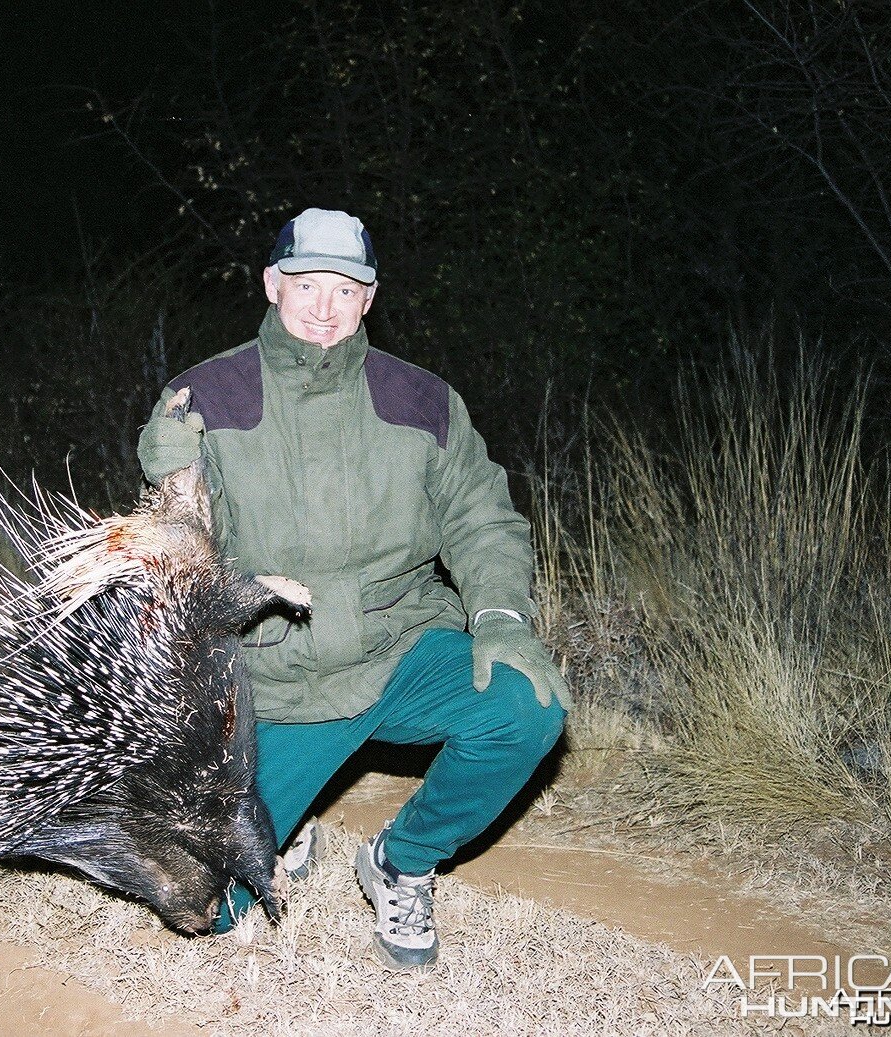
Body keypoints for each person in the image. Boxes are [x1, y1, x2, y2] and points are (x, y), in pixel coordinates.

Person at [137, 207, 568, 970]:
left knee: (526, 704)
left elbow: (483, 519)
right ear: (273, 284)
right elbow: (178, 565)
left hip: (397, 643)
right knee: (208, 908)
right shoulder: (207, 395)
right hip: (277, 673)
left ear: (369, 297)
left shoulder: (423, 400)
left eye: (345, 287)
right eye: (307, 283)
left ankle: (403, 860)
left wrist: (501, 616)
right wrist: (170, 476)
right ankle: (284, 816)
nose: (325, 306)